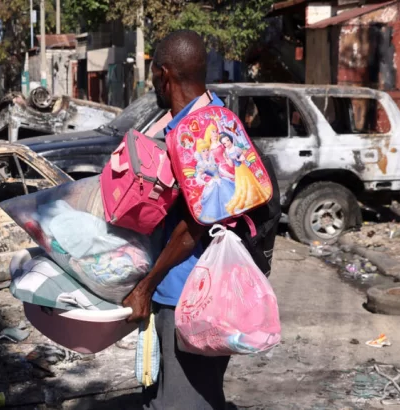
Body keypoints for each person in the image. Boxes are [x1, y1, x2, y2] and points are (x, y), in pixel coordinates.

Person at [121, 30, 237, 410]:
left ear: (164, 74)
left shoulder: (202, 130)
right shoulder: (191, 119)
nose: (153, 79)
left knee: (185, 402)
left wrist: (146, 285)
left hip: (193, 296)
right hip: (182, 289)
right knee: (168, 395)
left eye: (153, 71)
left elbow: (197, 223)